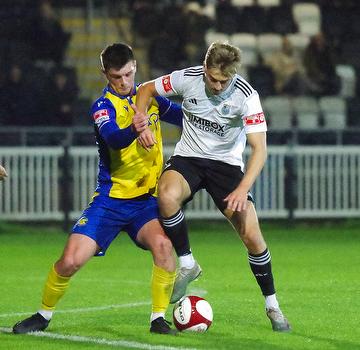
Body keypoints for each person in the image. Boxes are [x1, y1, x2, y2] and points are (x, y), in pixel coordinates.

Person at [12, 43, 183, 335]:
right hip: (111, 201)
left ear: (135, 66)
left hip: (145, 202)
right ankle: (43, 314)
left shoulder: (149, 96)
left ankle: (157, 319)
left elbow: (182, 118)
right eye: (116, 77)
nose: (124, 82)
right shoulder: (102, 107)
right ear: (104, 74)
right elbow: (114, 138)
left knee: (164, 247)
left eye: (128, 74)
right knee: (70, 261)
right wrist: (136, 129)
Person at [134, 41, 291, 332]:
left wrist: (243, 188)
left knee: (252, 238)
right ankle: (188, 263)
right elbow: (145, 90)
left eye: (224, 80)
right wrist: (140, 121)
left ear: (233, 75)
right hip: (189, 158)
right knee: (166, 196)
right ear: (204, 68)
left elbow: (260, 149)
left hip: (227, 167)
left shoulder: (247, 96)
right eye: (212, 78)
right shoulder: (188, 78)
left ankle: (273, 306)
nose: (217, 86)